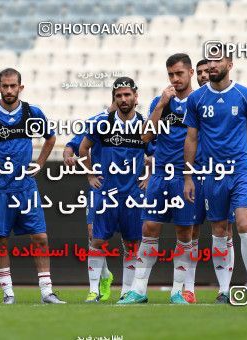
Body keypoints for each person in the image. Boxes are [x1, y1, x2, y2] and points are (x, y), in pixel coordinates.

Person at [0, 68, 65, 304]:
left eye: (14, 86)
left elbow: (50, 138)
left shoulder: (32, 113)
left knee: (40, 237)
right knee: (0, 240)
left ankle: (46, 292)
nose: (9, 90)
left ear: (21, 87)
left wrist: (40, 163)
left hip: (26, 187)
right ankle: (8, 293)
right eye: (5, 86)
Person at [183, 45, 247, 303]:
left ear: (230, 63)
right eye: (209, 61)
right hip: (211, 172)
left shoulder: (246, 95)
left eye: (218, 60)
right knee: (218, 229)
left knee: (243, 223)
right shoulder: (197, 100)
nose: (213, 65)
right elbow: (192, 138)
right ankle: (224, 290)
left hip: (239, 168)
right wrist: (188, 175)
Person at [121, 53, 195, 304]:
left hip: (186, 174)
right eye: (171, 74)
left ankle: (178, 291)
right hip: (161, 173)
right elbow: (145, 137)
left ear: (191, 73)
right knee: (149, 228)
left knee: (184, 233)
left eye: (179, 73)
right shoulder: (160, 102)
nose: (175, 79)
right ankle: (139, 290)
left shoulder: (200, 102)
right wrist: (161, 105)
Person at [79, 77, 152, 303]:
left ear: (135, 97)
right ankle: (94, 290)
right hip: (106, 191)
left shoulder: (144, 125)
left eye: (127, 94)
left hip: (132, 193)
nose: (123, 99)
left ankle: (126, 291)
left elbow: (156, 152)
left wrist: (149, 176)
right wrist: (90, 174)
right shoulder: (102, 122)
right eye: (118, 95)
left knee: (132, 243)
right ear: (114, 98)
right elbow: (83, 147)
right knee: (97, 240)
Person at [63, 99, 116, 302]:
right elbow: (73, 145)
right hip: (100, 186)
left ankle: (112, 279)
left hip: (125, 187)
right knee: (94, 233)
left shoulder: (136, 122)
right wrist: (68, 155)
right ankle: (99, 282)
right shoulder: (97, 121)